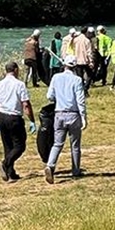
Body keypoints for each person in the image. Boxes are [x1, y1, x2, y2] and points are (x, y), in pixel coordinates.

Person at [44, 56, 87, 184]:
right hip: (73, 114)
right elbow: (80, 100)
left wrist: (59, 97)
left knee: (57, 143)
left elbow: (49, 96)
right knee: (75, 145)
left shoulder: (56, 77)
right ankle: (76, 169)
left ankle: (50, 165)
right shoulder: (77, 80)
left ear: (64, 65)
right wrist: (84, 116)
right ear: (75, 67)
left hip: (59, 113)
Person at [0, 62, 35, 182]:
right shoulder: (19, 84)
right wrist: (32, 120)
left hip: (1, 116)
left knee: (8, 145)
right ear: (15, 70)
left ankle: (10, 172)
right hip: (14, 117)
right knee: (20, 145)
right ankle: (5, 163)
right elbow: (25, 104)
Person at [72, 28, 95, 93]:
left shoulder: (75, 40)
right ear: (86, 32)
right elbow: (89, 52)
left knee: (80, 76)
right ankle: (85, 88)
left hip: (77, 60)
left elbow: (73, 49)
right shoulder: (87, 40)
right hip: (85, 60)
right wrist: (91, 61)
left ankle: (81, 89)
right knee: (90, 75)